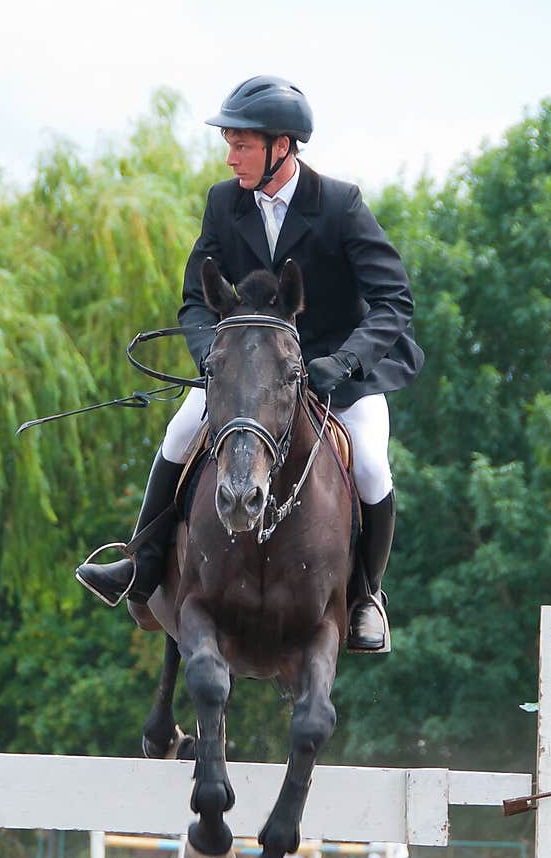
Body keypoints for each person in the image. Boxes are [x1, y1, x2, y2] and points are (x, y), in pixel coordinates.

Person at [76, 75, 424, 652]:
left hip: (339, 374)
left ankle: (366, 596)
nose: (231, 156)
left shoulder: (339, 205)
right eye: (229, 143)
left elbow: (394, 302)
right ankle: (141, 559)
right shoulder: (223, 202)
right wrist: (216, 362)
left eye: (242, 144)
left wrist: (344, 360)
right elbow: (195, 298)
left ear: (281, 146)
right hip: (246, 374)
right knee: (180, 431)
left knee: (369, 466)